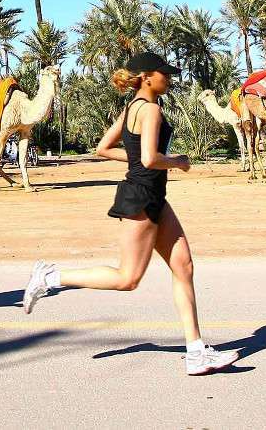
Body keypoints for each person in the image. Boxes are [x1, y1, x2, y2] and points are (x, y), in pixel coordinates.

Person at [22, 52, 239, 375]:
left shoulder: (132, 107)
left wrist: (141, 160)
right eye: (164, 73)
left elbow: (103, 148)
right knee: (128, 278)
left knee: (184, 266)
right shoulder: (149, 109)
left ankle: (196, 352)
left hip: (153, 196)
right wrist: (177, 161)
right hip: (141, 197)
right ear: (148, 77)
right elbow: (151, 159)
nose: (169, 78)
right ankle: (50, 277)